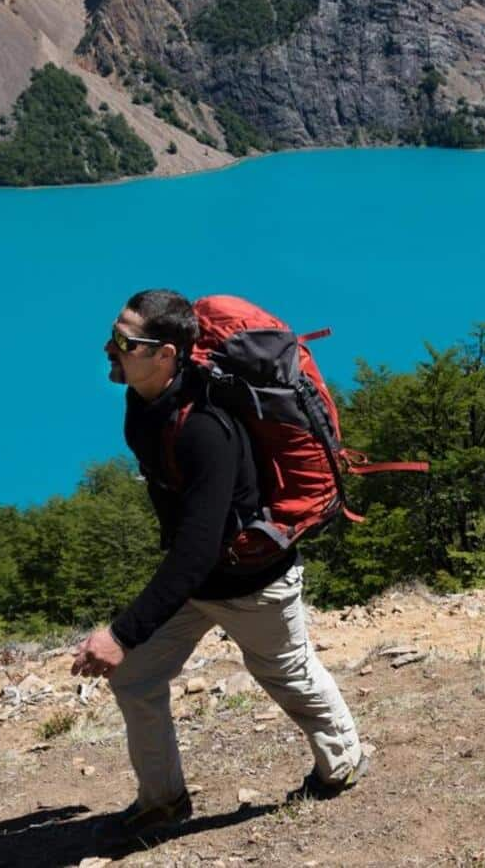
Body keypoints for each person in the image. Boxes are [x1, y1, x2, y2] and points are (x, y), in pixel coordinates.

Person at [74, 288, 370, 846]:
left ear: (165, 353)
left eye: (123, 341)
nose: (108, 349)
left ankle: (344, 759)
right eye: (112, 334)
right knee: (135, 679)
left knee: (288, 674)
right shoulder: (146, 399)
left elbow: (196, 549)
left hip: (256, 585)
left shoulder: (203, 429)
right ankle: (163, 802)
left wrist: (121, 632)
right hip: (201, 581)